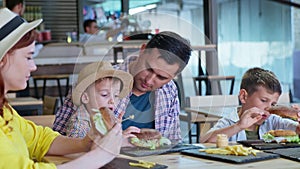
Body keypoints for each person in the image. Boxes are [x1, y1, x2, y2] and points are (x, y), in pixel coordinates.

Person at [0, 8, 123, 168]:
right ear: (2, 59)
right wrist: (100, 155)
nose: (34, 66)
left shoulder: (5, 110)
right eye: (28, 57)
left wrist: (86, 143)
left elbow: (39, 139)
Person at [53, 31, 192, 143]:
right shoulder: (95, 82)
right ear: (142, 50)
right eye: (148, 68)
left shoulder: (170, 90)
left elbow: (173, 141)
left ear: (174, 76)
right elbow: (57, 138)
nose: (149, 80)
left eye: (162, 77)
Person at [200, 67, 300, 143]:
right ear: (243, 97)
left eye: (273, 104)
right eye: (263, 100)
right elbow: (204, 141)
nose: (269, 108)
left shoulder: (273, 121)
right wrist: (238, 126)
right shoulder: (230, 122)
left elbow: (296, 129)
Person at [65, 61, 134, 138]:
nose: (112, 101)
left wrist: (117, 133)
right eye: (104, 94)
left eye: (116, 95)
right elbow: (80, 148)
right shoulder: (78, 125)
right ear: (85, 98)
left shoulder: (104, 119)